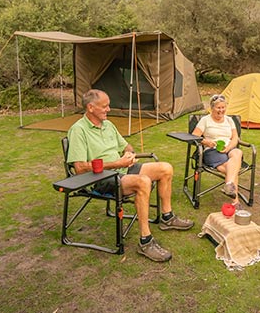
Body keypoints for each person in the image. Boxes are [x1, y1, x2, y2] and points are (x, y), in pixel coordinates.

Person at [66, 89, 194, 262]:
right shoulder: (78, 130)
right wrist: (117, 163)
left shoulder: (108, 125)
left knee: (165, 168)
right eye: (104, 106)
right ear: (90, 107)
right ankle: (145, 241)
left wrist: (129, 155)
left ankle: (167, 217)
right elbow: (80, 168)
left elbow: (127, 146)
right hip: (100, 179)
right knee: (143, 182)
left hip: (122, 169)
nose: (108, 109)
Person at [190, 94, 244, 205]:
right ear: (212, 108)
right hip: (212, 150)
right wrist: (207, 142)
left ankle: (229, 185)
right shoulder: (205, 120)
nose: (221, 110)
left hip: (228, 147)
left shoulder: (229, 120)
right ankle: (235, 201)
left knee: (238, 152)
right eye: (218, 107)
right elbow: (195, 135)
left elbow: (235, 138)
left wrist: (229, 147)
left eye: (223, 107)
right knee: (233, 168)